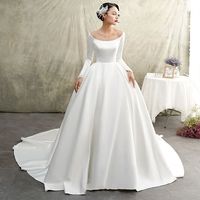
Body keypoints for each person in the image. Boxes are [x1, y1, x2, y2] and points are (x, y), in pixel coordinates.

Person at [13, 2, 184, 195]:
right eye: (113, 13)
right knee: (91, 116)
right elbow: (89, 58)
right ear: (103, 15)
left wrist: (128, 70)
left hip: (116, 76)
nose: (117, 17)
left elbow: (119, 58)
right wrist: (81, 75)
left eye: (118, 14)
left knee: (117, 117)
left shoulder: (121, 35)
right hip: (96, 76)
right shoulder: (92, 35)